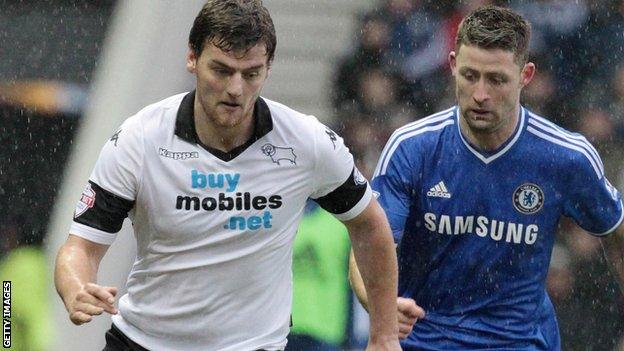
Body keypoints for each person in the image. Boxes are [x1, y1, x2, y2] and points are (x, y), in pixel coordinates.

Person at [54, 1, 401, 350]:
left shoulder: (306, 142)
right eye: (221, 70)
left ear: (268, 69)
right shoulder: (139, 139)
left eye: (251, 74)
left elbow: (370, 224)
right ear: (192, 58)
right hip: (143, 342)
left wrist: (383, 336)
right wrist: (77, 288)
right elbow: (80, 248)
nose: (236, 89)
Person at [350, 5, 624, 350]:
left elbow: (617, 233)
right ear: (452, 65)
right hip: (425, 341)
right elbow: (369, 243)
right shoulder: (412, 148)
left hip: (521, 343)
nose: (480, 94)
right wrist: (381, 307)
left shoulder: (565, 156)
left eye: (496, 79)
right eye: (469, 75)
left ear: (526, 75)